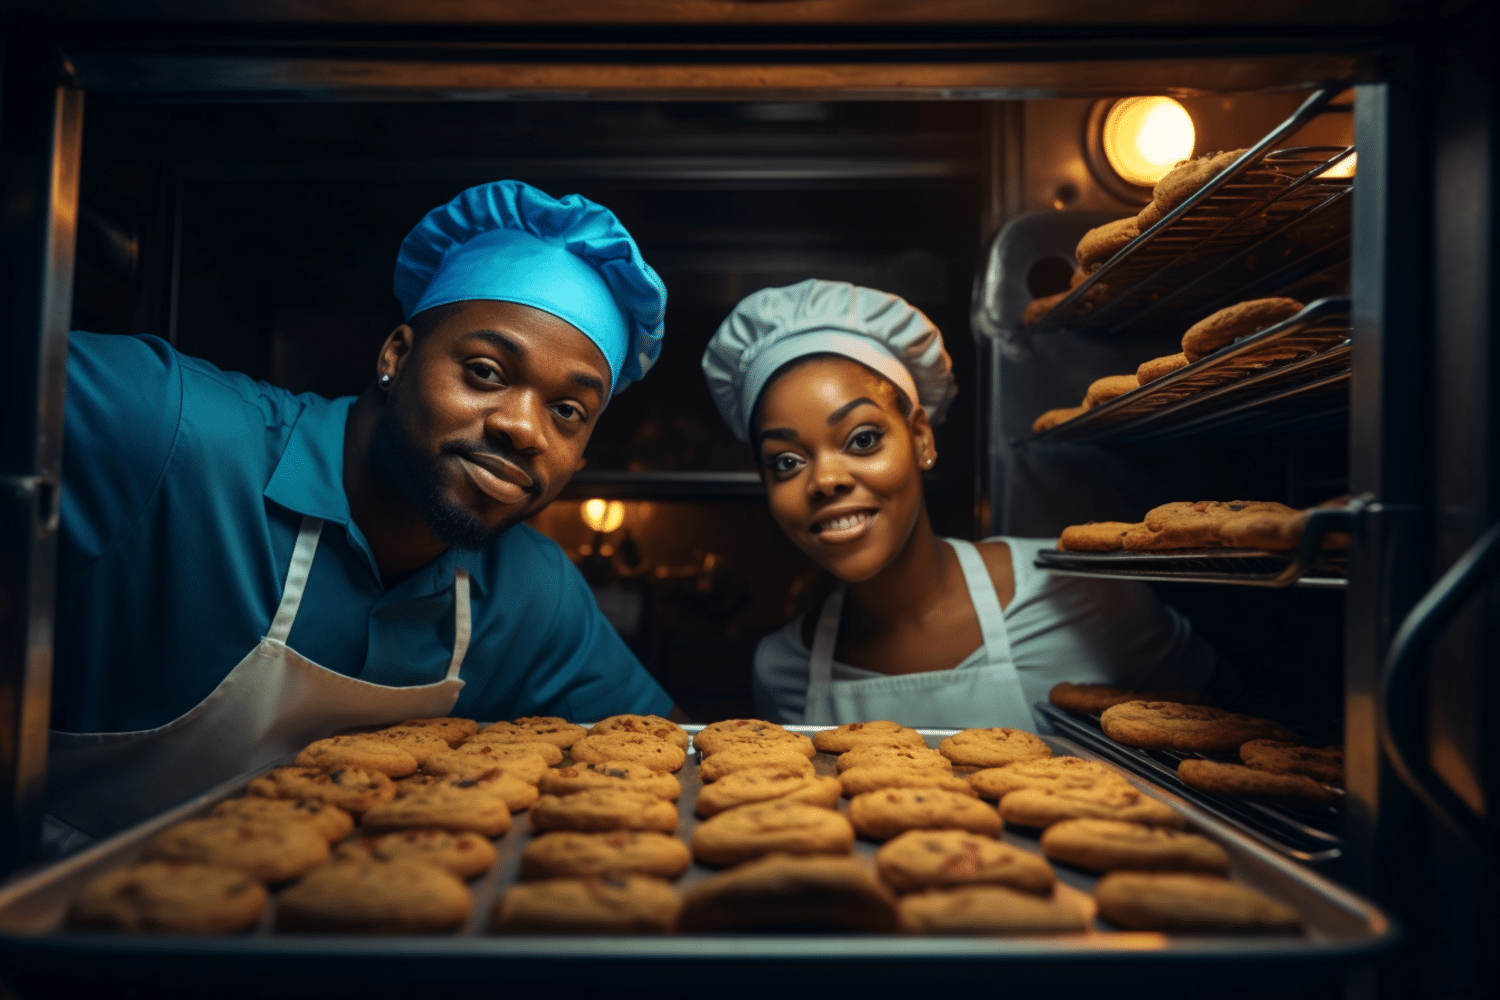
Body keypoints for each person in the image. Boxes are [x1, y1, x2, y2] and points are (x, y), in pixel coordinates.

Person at [47, 179, 680, 841]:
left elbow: (669, 752)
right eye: (486, 371)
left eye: (568, 411)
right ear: (396, 356)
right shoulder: (163, 426)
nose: (524, 428)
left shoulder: (533, 592)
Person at [701, 279, 1214, 729]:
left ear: (921, 439)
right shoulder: (783, 670)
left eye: (862, 440)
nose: (826, 480)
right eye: (787, 462)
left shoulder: (1079, 592)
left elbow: (1211, 720)